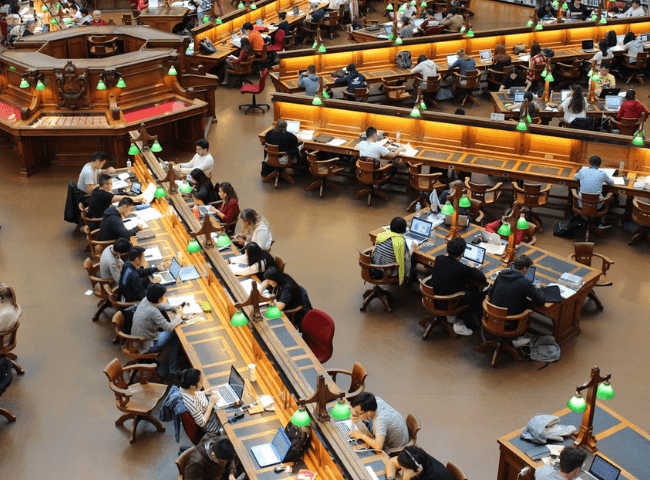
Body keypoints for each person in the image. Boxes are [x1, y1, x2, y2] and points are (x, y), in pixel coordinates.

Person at [425, 236, 485, 335]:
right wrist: (473, 267)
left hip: (433, 296)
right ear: (462, 253)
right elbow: (482, 278)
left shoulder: (439, 259)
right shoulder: (461, 268)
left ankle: (452, 316)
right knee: (477, 295)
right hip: (447, 301)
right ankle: (460, 323)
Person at [131, 284, 183, 376]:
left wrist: (173, 307)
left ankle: (174, 362)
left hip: (137, 340)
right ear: (159, 298)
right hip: (148, 344)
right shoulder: (153, 312)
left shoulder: (145, 300)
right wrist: (178, 316)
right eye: (163, 296)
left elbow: (159, 305)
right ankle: (173, 369)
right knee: (176, 333)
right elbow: (169, 327)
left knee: (175, 336)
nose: (164, 297)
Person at [179, 368, 223, 434]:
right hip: (212, 425)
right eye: (201, 382)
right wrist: (211, 403)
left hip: (210, 410)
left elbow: (196, 394)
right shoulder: (191, 402)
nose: (202, 383)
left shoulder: (184, 389)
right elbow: (202, 423)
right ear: (193, 387)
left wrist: (204, 392)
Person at [373, 217, 412, 286]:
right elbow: (406, 259)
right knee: (413, 267)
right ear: (404, 230)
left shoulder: (383, 235)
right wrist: (413, 248)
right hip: (388, 272)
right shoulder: (400, 242)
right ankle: (406, 282)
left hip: (375, 267)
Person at [574, 155, 614, 221]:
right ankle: (602, 222)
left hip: (582, 204)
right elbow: (611, 183)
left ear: (589, 164)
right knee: (612, 197)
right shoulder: (602, 173)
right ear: (599, 165)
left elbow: (575, 178)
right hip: (597, 206)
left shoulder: (582, 171)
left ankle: (581, 219)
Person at [385, 446, 454, 480]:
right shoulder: (415, 458)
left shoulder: (433, 476)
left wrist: (406, 478)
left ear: (418, 468)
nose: (401, 471)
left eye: (404, 469)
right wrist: (391, 478)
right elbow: (391, 462)